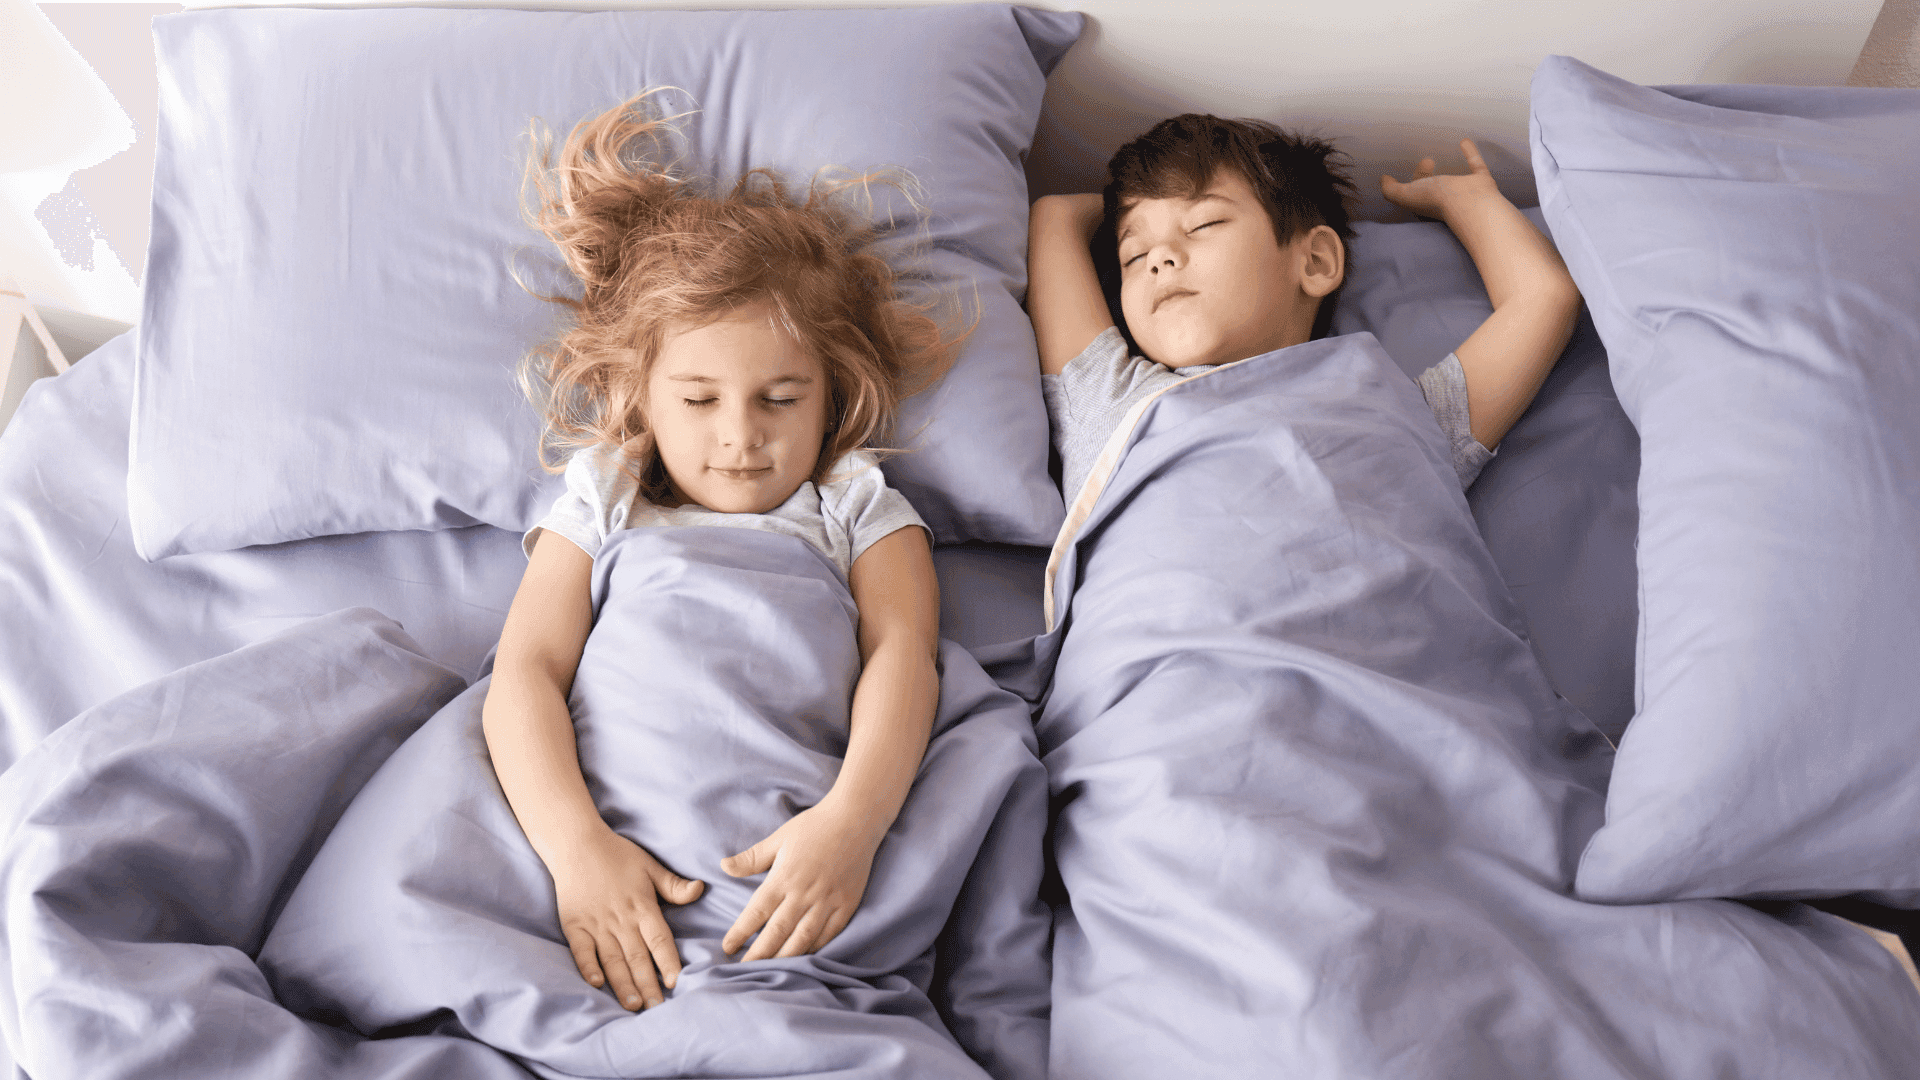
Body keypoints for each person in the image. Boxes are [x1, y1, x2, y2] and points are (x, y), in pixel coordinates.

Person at [480, 91, 959, 1016]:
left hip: (795, 840)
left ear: (832, 393)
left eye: (780, 397)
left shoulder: (855, 505)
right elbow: (526, 673)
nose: (741, 437)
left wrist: (852, 827)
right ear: (644, 396)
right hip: (601, 837)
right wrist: (579, 851)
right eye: (699, 400)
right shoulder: (606, 497)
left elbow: (906, 655)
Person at [1027, 114, 1581, 503]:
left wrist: (1467, 201)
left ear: (1314, 261)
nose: (1160, 258)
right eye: (1134, 254)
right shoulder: (1110, 403)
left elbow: (1543, 298)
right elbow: (1053, 219)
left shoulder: (1397, 416)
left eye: (1203, 224)